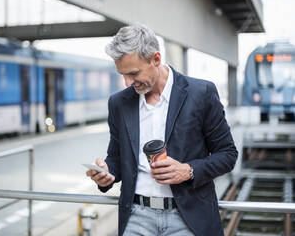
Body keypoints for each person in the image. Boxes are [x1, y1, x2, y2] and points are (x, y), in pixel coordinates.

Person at [86, 24, 238, 236]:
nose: (128, 82)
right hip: (136, 217)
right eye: (123, 75)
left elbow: (228, 155)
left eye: (133, 73)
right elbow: (116, 159)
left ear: (156, 59)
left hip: (188, 218)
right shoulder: (119, 103)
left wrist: (188, 171)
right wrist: (106, 173)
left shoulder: (201, 93)